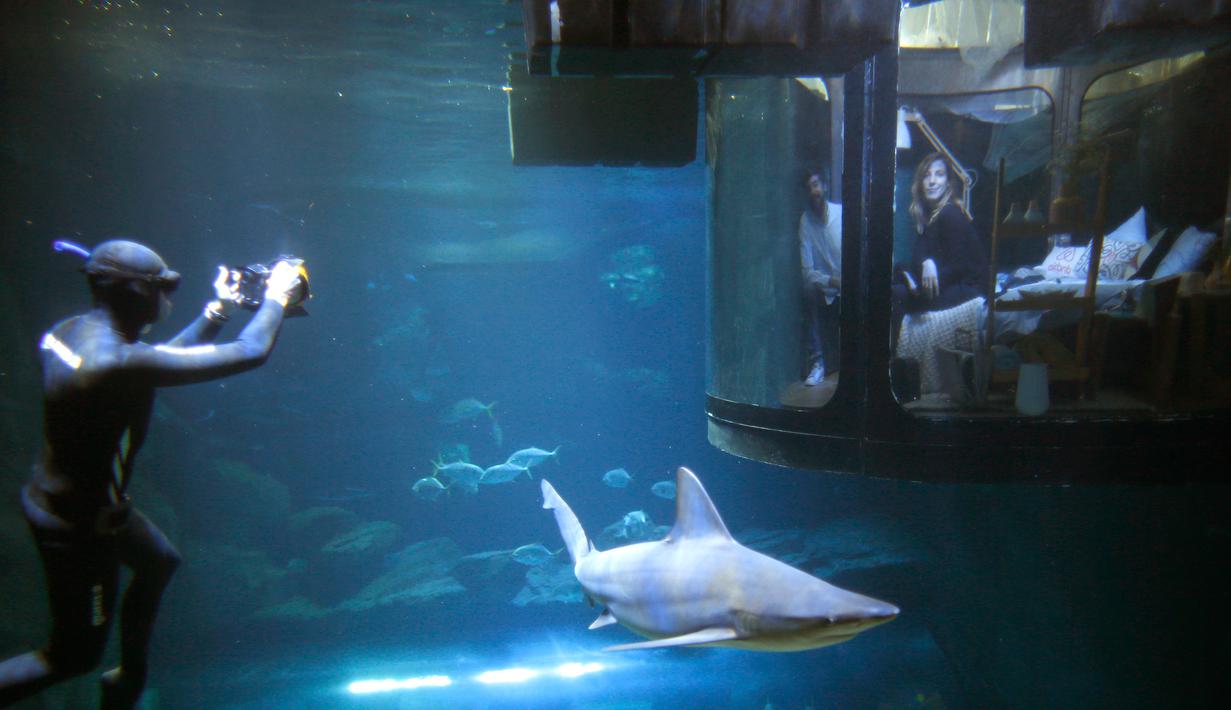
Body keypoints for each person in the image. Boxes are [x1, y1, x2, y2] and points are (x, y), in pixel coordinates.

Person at [0, 240, 306, 709]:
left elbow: (154, 363)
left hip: (82, 503)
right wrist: (278, 297)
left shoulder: (71, 333)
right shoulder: (114, 363)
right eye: (163, 286)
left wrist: (218, 309)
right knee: (70, 658)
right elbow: (251, 351)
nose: (168, 295)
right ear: (136, 293)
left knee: (160, 561)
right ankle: (110, 675)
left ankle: (128, 675)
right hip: (79, 529)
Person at [893, 152, 987, 331]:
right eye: (927, 175)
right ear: (920, 183)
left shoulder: (949, 214)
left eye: (939, 174)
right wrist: (926, 262)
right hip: (950, 285)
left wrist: (917, 283)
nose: (932, 181)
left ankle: (897, 356)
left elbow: (958, 268)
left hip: (969, 291)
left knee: (896, 293)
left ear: (948, 183)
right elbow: (916, 261)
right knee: (897, 284)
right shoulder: (931, 219)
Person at [798, 169, 842, 386]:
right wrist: (831, 281)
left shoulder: (841, 214)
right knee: (806, 288)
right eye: (808, 188)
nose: (813, 191)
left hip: (850, 286)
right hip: (827, 289)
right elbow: (807, 271)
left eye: (815, 185)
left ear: (824, 186)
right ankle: (818, 362)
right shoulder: (806, 222)